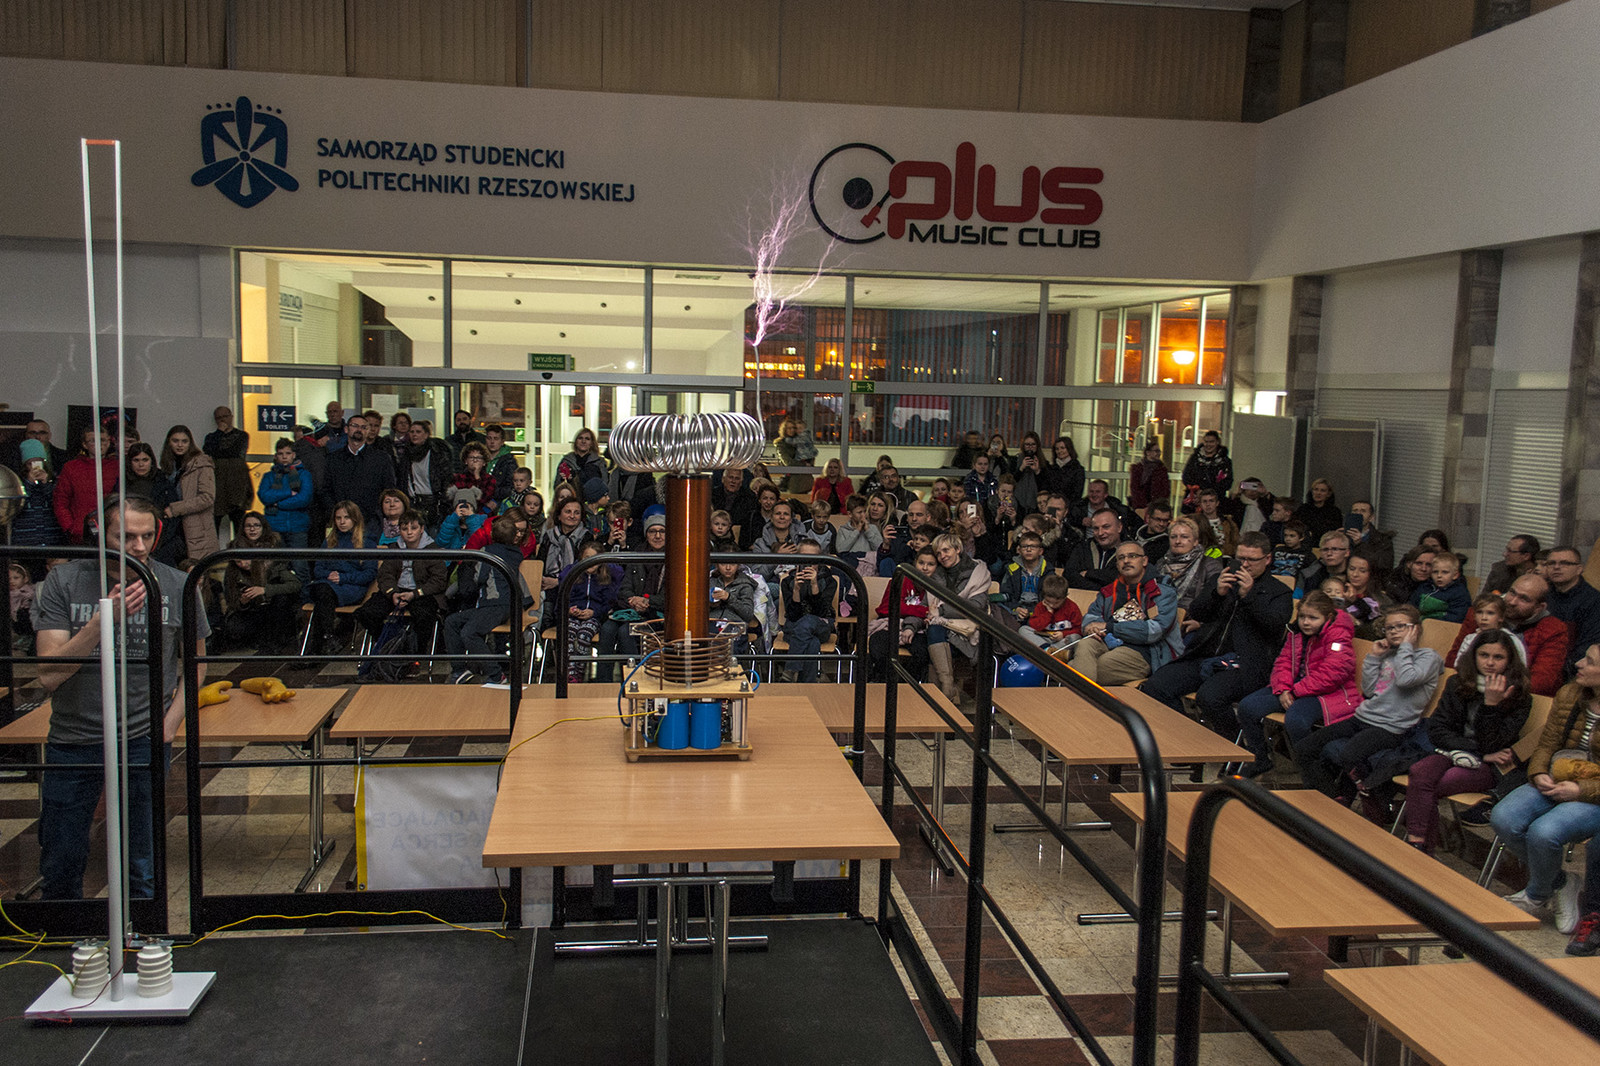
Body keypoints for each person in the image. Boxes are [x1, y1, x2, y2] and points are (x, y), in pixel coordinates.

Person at [31, 496, 209, 899]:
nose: (139, 547)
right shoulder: (65, 580)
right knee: (62, 854)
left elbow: (197, 664)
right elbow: (49, 674)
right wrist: (100, 623)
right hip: (74, 738)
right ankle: (64, 928)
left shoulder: (177, 584)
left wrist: (170, 723)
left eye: (147, 536)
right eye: (126, 537)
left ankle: (143, 929)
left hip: (143, 737)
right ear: (100, 534)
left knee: (142, 858)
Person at [1490, 643, 1600, 935]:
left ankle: (1536, 894)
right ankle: (1561, 882)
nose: (1578, 663)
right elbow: (1547, 743)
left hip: (1593, 794)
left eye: (1589, 661)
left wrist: (1579, 790)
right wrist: (1538, 772)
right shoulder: (1570, 693)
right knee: (1504, 817)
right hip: (1555, 775)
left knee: (1544, 832)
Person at [1141, 532, 1293, 736]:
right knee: (1156, 685)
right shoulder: (1223, 579)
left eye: (1252, 560)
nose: (1245, 565)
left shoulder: (1279, 592)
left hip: (1246, 664)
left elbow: (1273, 627)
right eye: (1240, 558)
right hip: (1207, 654)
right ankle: (1183, 737)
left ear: (1267, 559)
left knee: (1210, 698)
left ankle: (1233, 744)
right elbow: (1198, 612)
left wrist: (1249, 597)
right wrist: (1216, 594)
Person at [1400, 630, 1531, 854]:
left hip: (1490, 765)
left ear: (1510, 661)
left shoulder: (1519, 696)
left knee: (1431, 786)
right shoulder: (1457, 683)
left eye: (1498, 657)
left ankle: (1419, 848)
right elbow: (1437, 730)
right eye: (1484, 655)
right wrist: (1477, 751)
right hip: (1453, 751)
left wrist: (1491, 705)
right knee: (1419, 772)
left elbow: (1494, 745)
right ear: (1474, 656)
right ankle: (1418, 844)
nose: (1490, 663)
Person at [1294, 605, 1443, 801]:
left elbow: (1406, 680)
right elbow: (1370, 690)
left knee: (1347, 755)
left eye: (1401, 626)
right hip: (1362, 718)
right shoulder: (1387, 654)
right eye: (1389, 628)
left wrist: (1406, 647)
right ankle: (1333, 797)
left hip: (1390, 728)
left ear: (1416, 629)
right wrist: (1374, 657)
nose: (1394, 631)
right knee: (1304, 748)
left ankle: (1351, 795)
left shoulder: (1428, 657)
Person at [1234, 591, 1360, 777]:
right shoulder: (1296, 633)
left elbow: (1333, 673)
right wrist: (1283, 689)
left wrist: (1294, 692)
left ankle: (1313, 773)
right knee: (1247, 707)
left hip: (1328, 694)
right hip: (1295, 688)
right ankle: (1261, 760)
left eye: (1313, 618)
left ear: (1328, 617)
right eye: (1302, 617)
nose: (1306, 622)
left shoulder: (1338, 636)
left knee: (1296, 720)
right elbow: (1283, 662)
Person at [1069, 542, 1182, 687]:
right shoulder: (1109, 591)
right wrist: (1091, 627)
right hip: (1108, 642)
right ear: (1117, 565)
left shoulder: (1161, 590)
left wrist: (1110, 627)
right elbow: (1091, 616)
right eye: (1121, 558)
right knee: (1085, 644)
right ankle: (1082, 696)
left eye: (1132, 556)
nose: (1126, 561)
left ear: (1144, 561)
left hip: (1146, 651)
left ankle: (1075, 688)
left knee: (1084, 666)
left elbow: (1155, 630)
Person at [1447, 574, 1571, 697]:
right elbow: (1454, 659)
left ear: (1539, 607)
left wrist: (1503, 693)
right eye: (1512, 592)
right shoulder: (1483, 612)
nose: (1512, 602)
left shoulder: (1553, 629)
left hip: (1513, 695)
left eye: (1524, 599)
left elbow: (1542, 681)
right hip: (1468, 688)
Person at [445, 514, 529, 685]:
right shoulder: (517, 553)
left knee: (468, 632)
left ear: (491, 535)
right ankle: (460, 671)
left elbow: (480, 577)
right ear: (514, 537)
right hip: (506, 605)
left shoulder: (487, 552)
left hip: (494, 604)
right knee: (452, 622)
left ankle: (496, 675)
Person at [355, 509, 447, 655]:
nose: (409, 532)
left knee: (424, 615)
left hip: (422, 593)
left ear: (422, 529)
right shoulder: (394, 548)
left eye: (414, 528)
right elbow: (385, 575)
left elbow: (439, 580)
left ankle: (417, 653)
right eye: (404, 529)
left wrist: (415, 594)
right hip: (396, 591)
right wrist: (392, 593)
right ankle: (388, 644)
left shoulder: (432, 549)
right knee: (367, 613)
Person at [597, 513, 668, 682]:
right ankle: (603, 683)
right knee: (607, 629)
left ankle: (633, 681)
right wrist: (633, 600)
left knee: (626, 632)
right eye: (652, 531)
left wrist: (647, 601)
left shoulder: (675, 559)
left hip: (657, 613)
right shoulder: (637, 555)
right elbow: (625, 587)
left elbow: (670, 596)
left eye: (662, 531)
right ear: (646, 534)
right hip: (630, 609)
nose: (657, 536)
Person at [217, 513, 301, 655]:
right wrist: (243, 602)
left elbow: (295, 584)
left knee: (281, 601)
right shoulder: (233, 564)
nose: (252, 529)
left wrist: (265, 590)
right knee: (235, 628)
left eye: (256, 525)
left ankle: (277, 640)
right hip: (250, 610)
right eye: (248, 526)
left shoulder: (273, 556)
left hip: (272, 603)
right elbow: (231, 598)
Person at [925, 532, 992, 701]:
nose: (942, 556)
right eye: (938, 553)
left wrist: (941, 611)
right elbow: (929, 607)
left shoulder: (977, 572)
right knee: (933, 631)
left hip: (969, 630)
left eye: (946, 550)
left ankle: (940, 698)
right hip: (941, 629)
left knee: (933, 635)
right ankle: (947, 687)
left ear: (957, 549)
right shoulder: (936, 574)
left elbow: (975, 607)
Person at [305, 500, 377, 654]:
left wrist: (343, 578)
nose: (342, 522)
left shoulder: (367, 542)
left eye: (346, 517)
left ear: (355, 519)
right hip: (327, 584)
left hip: (352, 587)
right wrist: (329, 575)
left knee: (322, 598)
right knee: (323, 594)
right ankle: (327, 637)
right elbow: (318, 569)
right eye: (338, 518)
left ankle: (316, 648)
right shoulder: (330, 540)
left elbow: (369, 573)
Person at [324, 413, 396, 532]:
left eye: (364, 427)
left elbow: (389, 489)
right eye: (355, 426)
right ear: (346, 429)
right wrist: (336, 512)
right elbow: (326, 489)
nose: (359, 430)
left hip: (371, 522)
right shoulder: (333, 459)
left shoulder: (380, 458)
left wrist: (378, 514)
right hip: (341, 521)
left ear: (368, 431)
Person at [160, 424, 220, 567]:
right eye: (175, 441)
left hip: (196, 528)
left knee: (197, 572)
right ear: (169, 442)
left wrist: (175, 509)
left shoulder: (201, 463)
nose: (180, 445)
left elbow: (207, 497)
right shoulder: (169, 466)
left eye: (184, 441)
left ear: (190, 443)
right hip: (173, 527)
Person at [256, 437, 315, 579]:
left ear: (293, 455)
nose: (284, 457)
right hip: (274, 527)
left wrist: (278, 504)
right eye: (281, 453)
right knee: (275, 568)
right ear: (276, 456)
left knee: (300, 567)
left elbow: (304, 499)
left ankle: (304, 593)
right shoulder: (269, 476)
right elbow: (264, 496)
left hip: (297, 527)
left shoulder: (304, 474)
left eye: (287, 453)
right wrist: (288, 492)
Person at [778, 543, 837, 682]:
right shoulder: (787, 581)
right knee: (812, 643)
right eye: (804, 558)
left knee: (809, 620)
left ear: (820, 560)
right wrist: (796, 590)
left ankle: (790, 670)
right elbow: (793, 616)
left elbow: (821, 613)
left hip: (821, 626)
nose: (808, 564)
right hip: (794, 628)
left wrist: (814, 585)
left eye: (813, 559)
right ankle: (807, 686)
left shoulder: (829, 581)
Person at [564, 542, 622, 681]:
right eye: (586, 558)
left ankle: (580, 670)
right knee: (568, 633)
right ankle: (570, 672)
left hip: (594, 618)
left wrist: (593, 612)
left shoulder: (606, 578)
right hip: (573, 616)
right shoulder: (573, 575)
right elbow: (564, 597)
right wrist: (570, 609)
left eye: (594, 558)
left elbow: (609, 603)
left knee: (584, 634)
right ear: (581, 559)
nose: (590, 562)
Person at [53, 423, 120, 544]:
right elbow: (60, 500)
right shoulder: (71, 467)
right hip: (80, 533)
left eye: (103, 440)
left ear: (109, 442)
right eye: (93, 441)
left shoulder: (118, 467)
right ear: (84, 444)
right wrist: (70, 527)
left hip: (112, 531)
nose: (99, 444)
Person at [1543, 546, 1600, 681]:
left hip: (1569, 672)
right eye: (1551, 563)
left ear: (1579, 569)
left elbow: (1587, 646)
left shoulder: (1593, 600)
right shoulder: (1542, 592)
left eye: (1565, 563)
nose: (1556, 567)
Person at [121, 442, 181, 566]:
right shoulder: (121, 483)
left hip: (162, 543)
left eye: (145, 460)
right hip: (129, 540)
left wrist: (160, 540)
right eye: (136, 460)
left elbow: (173, 517)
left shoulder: (163, 482)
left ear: (152, 461)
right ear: (130, 462)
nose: (141, 464)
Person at [1152, 517, 1224, 615]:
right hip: (1159, 615)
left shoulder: (1209, 565)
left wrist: (1198, 621)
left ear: (1195, 541)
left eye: (1184, 537)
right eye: (1173, 537)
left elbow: (1214, 601)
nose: (1177, 541)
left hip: (1192, 617)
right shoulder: (1161, 563)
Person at [203, 406, 253, 539]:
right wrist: (219, 433)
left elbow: (235, 453)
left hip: (237, 485)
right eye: (219, 418)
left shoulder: (242, 435)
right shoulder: (211, 437)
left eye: (225, 416)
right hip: (218, 486)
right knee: (213, 526)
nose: (222, 420)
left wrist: (219, 454)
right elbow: (208, 452)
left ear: (231, 416)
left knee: (239, 526)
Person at [401, 420, 454, 528]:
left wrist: (443, 501)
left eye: (418, 432)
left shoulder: (437, 453)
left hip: (434, 503)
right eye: (412, 432)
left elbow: (446, 479)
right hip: (413, 502)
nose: (414, 434)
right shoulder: (406, 454)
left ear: (426, 435)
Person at [1066, 508, 1130, 591]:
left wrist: (1089, 573)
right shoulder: (1083, 547)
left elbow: (1124, 578)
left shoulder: (1131, 550)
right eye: (1096, 528)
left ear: (1119, 527)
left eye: (1106, 527)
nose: (1100, 533)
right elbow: (1069, 576)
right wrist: (1101, 588)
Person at [708, 553, 758, 657]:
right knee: (703, 644)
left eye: (732, 564)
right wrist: (709, 605)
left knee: (729, 648)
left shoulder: (745, 585)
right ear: (717, 565)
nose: (728, 568)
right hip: (711, 624)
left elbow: (748, 614)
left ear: (738, 565)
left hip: (735, 626)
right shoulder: (710, 582)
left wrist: (729, 598)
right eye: (723, 564)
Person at [1020, 572, 1083, 652]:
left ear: (1064, 598)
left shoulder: (1072, 607)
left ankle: (1048, 651)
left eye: (1056, 603)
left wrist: (1063, 634)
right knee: (1023, 630)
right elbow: (1034, 626)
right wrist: (1048, 613)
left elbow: (1079, 630)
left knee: (1075, 637)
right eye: (1048, 601)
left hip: (1062, 640)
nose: (1052, 605)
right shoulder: (1041, 606)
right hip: (1043, 639)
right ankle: (1049, 651)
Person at [998, 530, 1051, 622]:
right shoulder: (1012, 569)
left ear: (1040, 551)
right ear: (1019, 550)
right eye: (1025, 546)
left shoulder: (1047, 570)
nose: (1028, 550)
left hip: (1040, 613)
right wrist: (1015, 608)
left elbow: (1051, 598)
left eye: (1033, 546)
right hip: (1016, 612)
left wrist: (1036, 612)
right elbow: (1006, 595)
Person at [1341, 553, 1393, 640]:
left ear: (1371, 573)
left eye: (1362, 571)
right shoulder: (1336, 590)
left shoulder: (1381, 600)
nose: (1355, 574)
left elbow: (1378, 633)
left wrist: (1357, 623)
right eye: (1352, 569)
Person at [1411, 550, 1470, 623]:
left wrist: (1431, 623)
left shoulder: (1459, 593)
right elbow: (1412, 606)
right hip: (1419, 623)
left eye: (1445, 572)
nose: (1439, 576)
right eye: (1435, 572)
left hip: (1442, 626)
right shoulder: (1425, 587)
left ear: (1455, 575)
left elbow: (1457, 616)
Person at [1180, 430, 1233, 510]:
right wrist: (1197, 490)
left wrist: (1208, 493)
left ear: (1217, 442)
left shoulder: (1224, 462)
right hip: (1194, 501)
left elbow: (1227, 482)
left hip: (1216, 503)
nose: (1208, 445)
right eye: (1206, 442)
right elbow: (1186, 477)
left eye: (1211, 442)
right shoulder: (1194, 458)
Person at [449, 442, 498, 514]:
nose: (475, 460)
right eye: (471, 457)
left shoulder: (490, 479)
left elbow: (485, 498)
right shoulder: (458, 478)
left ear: (484, 462)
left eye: (479, 458)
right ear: (466, 461)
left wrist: (477, 475)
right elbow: (459, 498)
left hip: (482, 516)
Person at [1298, 529, 1352, 593]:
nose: (1329, 553)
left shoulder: (1356, 573)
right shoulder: (1309, 575)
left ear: (1347, 552)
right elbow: (1298, 597)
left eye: (1335, 549)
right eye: (1325, 550)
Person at [774, 416, 818, 493]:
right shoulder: (781, 444)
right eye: (789, 428)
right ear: (784, 430)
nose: (792, 430)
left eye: (793, 428)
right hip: (793, 480)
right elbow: (788, 462)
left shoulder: (800, 441)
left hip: (806, 478)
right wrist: (804, 464)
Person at [1291, 478, 1343, 542]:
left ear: (1328, 494)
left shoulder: (1334, 512)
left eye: (1322, 490)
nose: (1318, 493)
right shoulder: (1303, 509)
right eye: (1316, 489)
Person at [1193, 488, 1240, 558]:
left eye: (1211, 501)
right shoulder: (1195, 523)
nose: (1208, 504)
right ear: (1200, 504)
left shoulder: (1228, 523)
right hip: (1202, 558)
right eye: (1204, 501)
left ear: (1217, 503)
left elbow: (1236, 542)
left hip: (1225, 558)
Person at [1041, 436, 1086, 503]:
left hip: (1069, 506)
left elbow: (1077, 494)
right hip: (1052, 504)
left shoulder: (1078, 469)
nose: (1060, 451)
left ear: (1069, 449)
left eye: (1062, 448)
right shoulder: (1051, 469)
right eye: (1057, 449)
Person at [1128, 442, 1170, 512]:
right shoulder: (1138, 469)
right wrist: (1141, 503)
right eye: (1156, 451)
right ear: (1148, 453)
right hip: (1141, 504)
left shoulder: (1162, 469)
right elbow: (1135, 487)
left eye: (1159, 451)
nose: (1158, 453)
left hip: (1157, 504)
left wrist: (1160, 501)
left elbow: (1165, 488)